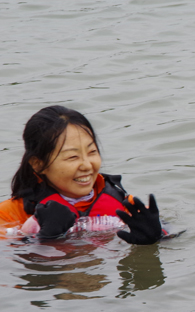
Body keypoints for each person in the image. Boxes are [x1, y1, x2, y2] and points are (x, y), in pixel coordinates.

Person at [0, 105, 167, 245]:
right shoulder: (8, 215)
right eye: (72, 157)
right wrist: (46, 239)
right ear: (38, 164)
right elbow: (9, 271)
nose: (87, 165)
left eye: (92, 152)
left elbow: (176, 244)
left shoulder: (125, 206)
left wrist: (155, 237)